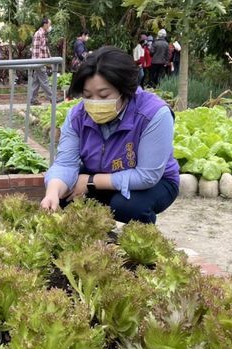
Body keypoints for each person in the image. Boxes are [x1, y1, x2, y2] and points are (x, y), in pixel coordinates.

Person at [40, 46, 180, 224]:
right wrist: (53, 191)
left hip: (154, 182)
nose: (94, 103)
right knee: (64, 198)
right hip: (99, 174)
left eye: (104, 95)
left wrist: (91, 181)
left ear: (124, 90)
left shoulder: (154, 114)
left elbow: (147, 176)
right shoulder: (77, 116)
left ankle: (141, 238)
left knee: (127, 207)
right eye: (87, 95)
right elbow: (65, 163)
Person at [30, 18, 55, 105]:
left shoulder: (43, 34)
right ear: (45, 24)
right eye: (49, 24)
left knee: (36, 82)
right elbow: (36, 50)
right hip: (38, 62)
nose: (50, 26)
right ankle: (53, 98)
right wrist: (38, 63)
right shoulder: (39, 34)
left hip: (40, 61)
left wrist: (49, 60)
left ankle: (32, 100)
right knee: (44, 81)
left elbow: (45, 49)